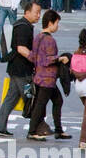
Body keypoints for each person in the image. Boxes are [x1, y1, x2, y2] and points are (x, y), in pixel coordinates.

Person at [0, 0, 40, 138]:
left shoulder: (23, 25)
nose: (38, 15)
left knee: (11, 99)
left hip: (16, 69)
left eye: (39, 13)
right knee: (31, 99)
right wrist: (36, 60)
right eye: (36, 12)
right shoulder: (23, 27)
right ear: (27, 12)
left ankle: (0, 127)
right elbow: (21, 48)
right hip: (21, 70)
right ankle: (35, 129)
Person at [26, 9, 71, 141]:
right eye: (56, 23)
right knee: (40, 105)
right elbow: (47, 59)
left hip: (39, 76)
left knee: (58, 101)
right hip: (48, 79)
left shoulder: (38, 37)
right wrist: (60, 59)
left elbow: (34, 57)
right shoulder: (50, 40)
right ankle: (32, 131)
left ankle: (59, 130)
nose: (57, 26)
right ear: (50, 23)